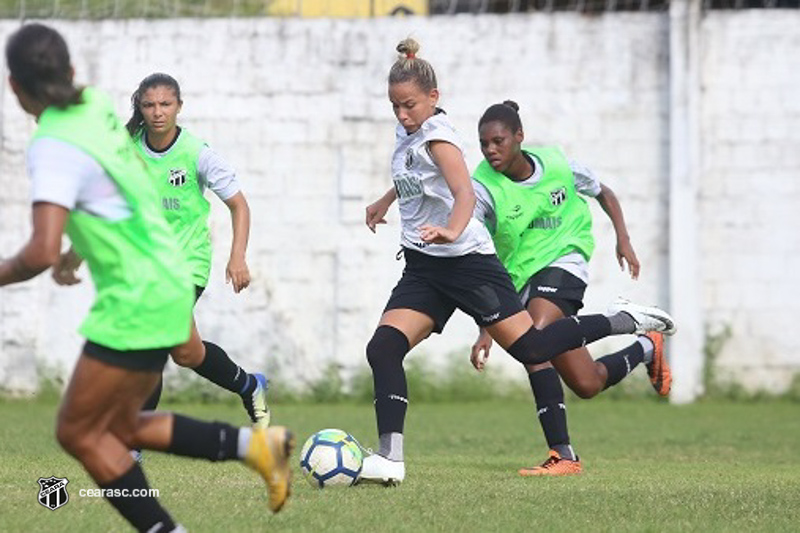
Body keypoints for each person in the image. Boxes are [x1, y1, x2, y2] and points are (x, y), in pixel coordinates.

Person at [1, 24, 292, 531]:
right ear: (72, 73)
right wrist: (78, 251)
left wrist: (58, 254)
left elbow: (38, 252)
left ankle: (222, 471)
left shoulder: (50, 144)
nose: (157, 114)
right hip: (160, 279)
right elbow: (115, 195)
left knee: (79, 430)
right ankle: (255, 445)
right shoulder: (93, 105)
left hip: (139, 294)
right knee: (115, 423)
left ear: (13, 87)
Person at [359, 38, 676, 485]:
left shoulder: (440, 138)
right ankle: (390, 460)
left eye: (409, 105)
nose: (402, 115)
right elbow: (414, 173)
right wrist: (385, 199)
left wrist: (451, 229)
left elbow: (463, 193)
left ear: (434, 98)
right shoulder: (410, 131)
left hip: (466, 263)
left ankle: (625, 320)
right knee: (384, 348)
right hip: (424, 267)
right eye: (395, 107)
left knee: (535, 347)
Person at [53, 73, 270, 435]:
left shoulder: (196, 154)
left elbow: (239, 206)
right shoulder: (126, 151)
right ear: (140, 106)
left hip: (187, 263)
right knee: (186, 353)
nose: (157, 112)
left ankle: (133, 441)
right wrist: (74, 255)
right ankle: (249, 386)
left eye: (166, 104)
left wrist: (238, 257)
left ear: (179, 107)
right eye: (150, 105)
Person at [470, 100, 669, 477]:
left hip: (566, 261)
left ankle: (563, 455)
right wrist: (486, 329)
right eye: (484, 144)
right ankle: (646, 346)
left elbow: (604, 193)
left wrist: (622, 239)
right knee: (587, 382)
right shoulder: (483, 187)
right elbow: (482, 253)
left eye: (498, 141)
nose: (491, 150)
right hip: (521, 279)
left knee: (536, 337)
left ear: (519, 138)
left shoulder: (558, 165)